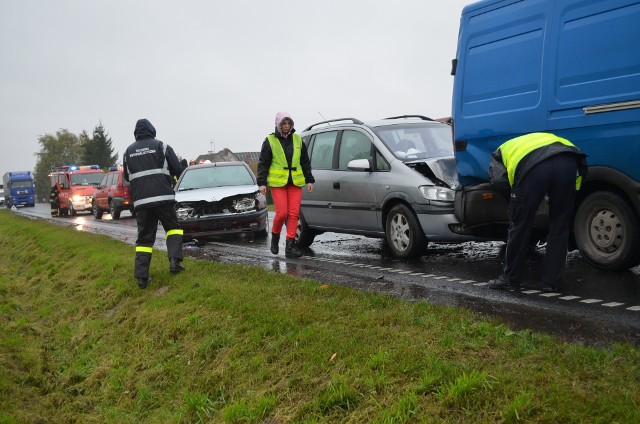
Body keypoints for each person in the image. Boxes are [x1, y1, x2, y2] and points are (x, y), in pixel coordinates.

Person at [487, 132, 587, 292]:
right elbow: (580, 173)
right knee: (560, 226)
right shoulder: (546, 140)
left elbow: (499, 182)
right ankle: (551, 282)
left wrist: (515, 204)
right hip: (569, 160)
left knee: (519, 226)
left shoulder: (499, 153)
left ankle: (510, 279)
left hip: (534, 167)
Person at [123, 118, 186, 289]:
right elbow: (178, 170)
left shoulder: (128, 151)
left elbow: (127, 177)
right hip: (163, 197)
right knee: (173, 228)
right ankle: (175, 262)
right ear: (152, 130)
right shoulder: (162, 146)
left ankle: (142, 278)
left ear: (136, 133)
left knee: (144, 239)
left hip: (142, 201)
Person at [257, 111, 314, 258]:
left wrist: (309, 179)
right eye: (284, 123)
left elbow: (304, 161)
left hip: (295, 182)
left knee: (294, 214)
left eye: (289, 123)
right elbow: (263, 163)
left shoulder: (298, 139)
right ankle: (275, 238)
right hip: (278, 183)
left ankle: (290, 246)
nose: (287, 126)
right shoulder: (270, 140)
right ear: (278, 124)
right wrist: (262, 183)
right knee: (282, 213)